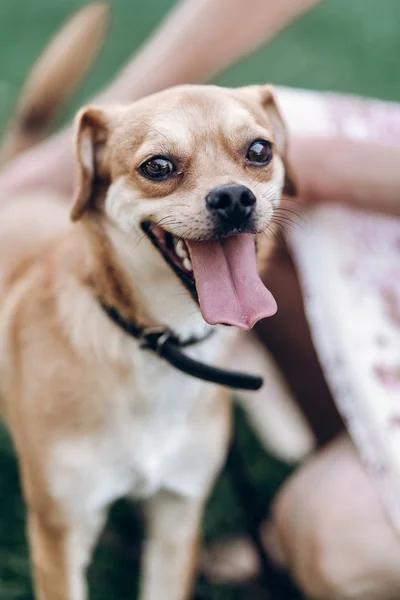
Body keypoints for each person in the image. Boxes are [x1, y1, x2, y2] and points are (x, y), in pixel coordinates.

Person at [1, 1, 400, 598]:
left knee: (177, 515)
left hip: (187, 372)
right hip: (66, 354)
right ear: (93, 180)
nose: (228, 191)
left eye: (256, 155)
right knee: (63, 526)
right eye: (162, 168)